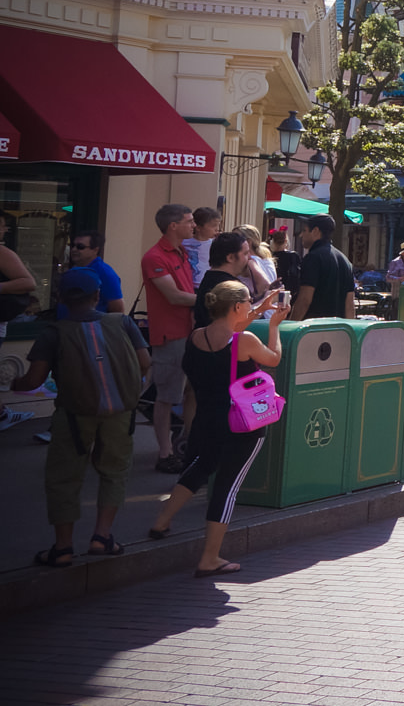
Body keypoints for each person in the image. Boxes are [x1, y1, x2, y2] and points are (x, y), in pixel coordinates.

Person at [145, 280, 289, 578]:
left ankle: (162, 521)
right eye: (248, 301)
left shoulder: (196, 336)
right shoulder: (245, 341)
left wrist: (261, 307)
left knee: (199, 468)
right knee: (227, 485)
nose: (251, 305)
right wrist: (274, 326)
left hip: (206, 418)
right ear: (237, 306)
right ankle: (209, 558)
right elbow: (273, 358)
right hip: (241, 423)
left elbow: (229, 332)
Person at [12, 270, 150, 567]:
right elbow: (144, 362)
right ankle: (102, 537)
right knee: (114, 471)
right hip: (120, 412)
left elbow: (34, 379)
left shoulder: (54, 331)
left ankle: (62, 548)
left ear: (60, 297)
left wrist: (13, 384)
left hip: (73, 415)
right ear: (97, 296)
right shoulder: (123, 322)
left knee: (64, 478)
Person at [140, 203, 199, 474]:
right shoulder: (154, 257)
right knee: (166, 396)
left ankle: (188, 445)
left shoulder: (182, 251)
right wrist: (211, 300)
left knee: (190, 391)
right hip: (170, 333)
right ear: (173, 226)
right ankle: (165, 454)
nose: (193, 225)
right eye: (189, 221)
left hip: (189, 331)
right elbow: (173, 296)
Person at [294, 215, 355, 321]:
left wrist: (291, 327)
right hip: (338, 330)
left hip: (313, 328)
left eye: (304, 230)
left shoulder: (313, 258)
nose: (301, 235)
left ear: (315, 231)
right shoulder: (345, 261)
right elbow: (349, 304)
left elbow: (304, 299)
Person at [63, 230, 124, 317]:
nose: (74, 249)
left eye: (80, 247)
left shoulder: (104, 272)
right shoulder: (74, 270)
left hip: (93, 328)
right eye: (73, 246)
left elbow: (117, 309)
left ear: (95, 250)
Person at [182, 206, 221, 282]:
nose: (217, 229)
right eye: (213, 226)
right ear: (198, 227)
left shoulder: (215, 244)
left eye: (218, 225)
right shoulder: (184, 242)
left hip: (206, 282)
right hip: (189, 282)